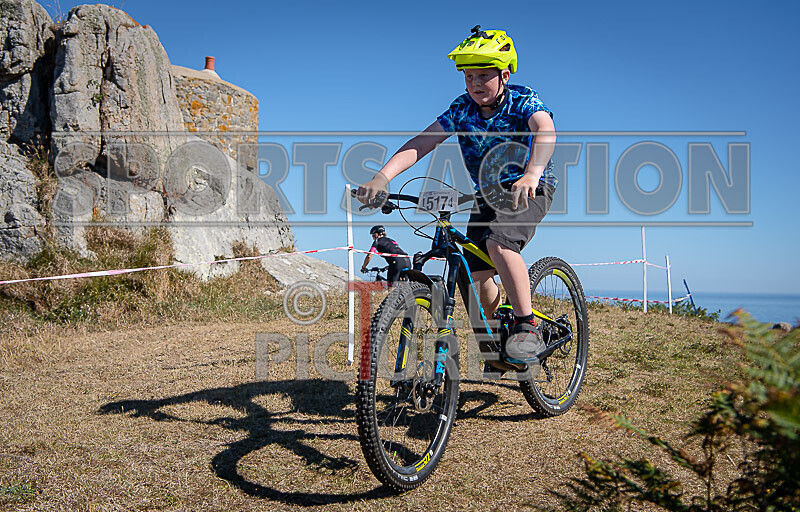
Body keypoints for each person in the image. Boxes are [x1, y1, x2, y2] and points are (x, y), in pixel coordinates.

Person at [355, 26, 557, 370]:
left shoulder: (523, 99)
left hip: (530, 186)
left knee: (500, 244)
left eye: (483, 75)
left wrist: (532, 173)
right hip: (487, 195)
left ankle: (526, 325)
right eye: (468, 77)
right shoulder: (461, 109)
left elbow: (545, 129)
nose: (475, 83)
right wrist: (382, 176)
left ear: (504, 74)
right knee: (477, 272)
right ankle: (497, 340)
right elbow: (422, 142)